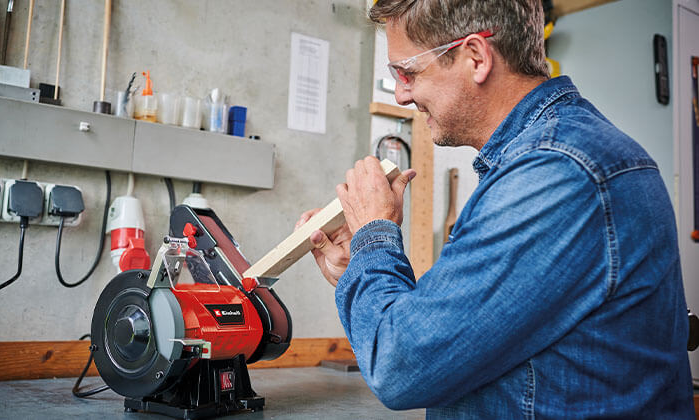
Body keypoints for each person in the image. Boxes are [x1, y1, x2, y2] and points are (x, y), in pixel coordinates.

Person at [295, 0, 694, 418]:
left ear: (476, 57)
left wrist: (374, 235)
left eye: (407, 72)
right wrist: (359, 268)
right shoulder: (552, 161)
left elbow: (401, 365)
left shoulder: (555, 174)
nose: (401, 94)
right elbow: (456, 333)